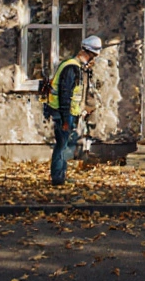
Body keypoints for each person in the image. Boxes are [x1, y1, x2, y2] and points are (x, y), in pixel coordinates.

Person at [39, 35, 102, 186]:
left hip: (69, 113)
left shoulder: (77, 67)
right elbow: (65, 94)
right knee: (62, 146)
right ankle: (58, 178)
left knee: (65, 145)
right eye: (93, 56)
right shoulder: (71, 68)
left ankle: (61, 175)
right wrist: (66, 119)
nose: (93, 61)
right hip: (63, 114)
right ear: (89, 53)